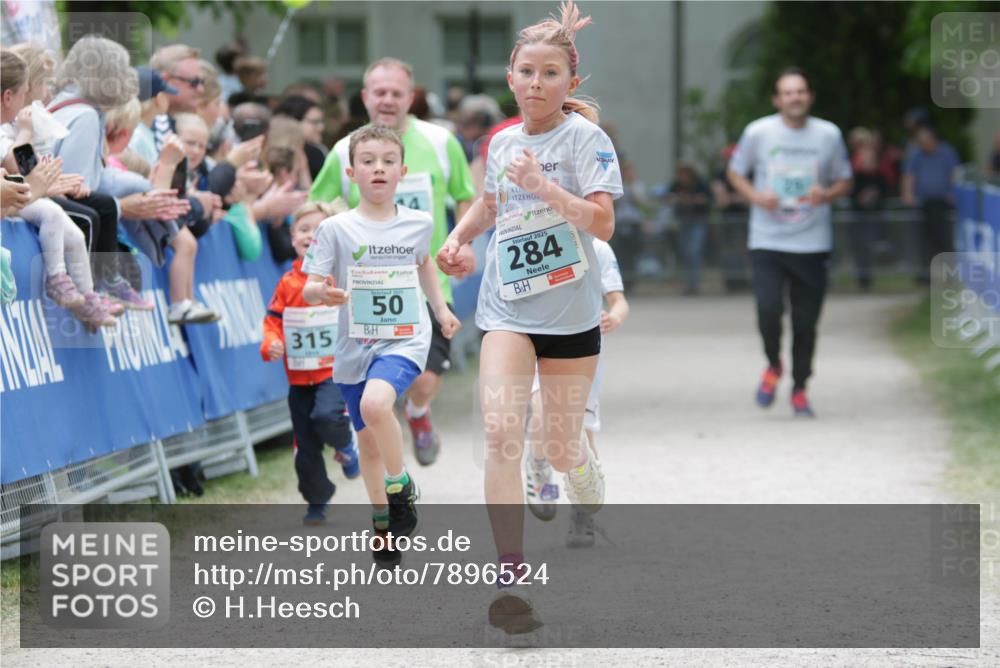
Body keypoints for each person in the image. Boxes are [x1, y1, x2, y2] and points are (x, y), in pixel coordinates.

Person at [437, 0, 622, 634]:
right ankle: (511, 576)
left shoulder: (586, 139)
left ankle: (578, 464)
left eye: (550, 73)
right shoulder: (501, 139)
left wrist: (546, 187)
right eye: (526, 72)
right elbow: (490, 205)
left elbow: (603, 223)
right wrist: (458, 239)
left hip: (571, 312)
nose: (536, 84)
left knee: (560, 444)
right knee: (500, 434)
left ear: (570, 81)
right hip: (507, 308)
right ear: (510, 78)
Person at [302, 126, 460, 567]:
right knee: (368, 441)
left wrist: (440, 310)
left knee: (376, 406)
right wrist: (323, 293)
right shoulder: (334, 229)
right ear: (351, 173)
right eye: (368, 161)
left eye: (388, 161)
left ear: (402, 172)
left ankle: (400, 486)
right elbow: (310, 285)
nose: (378, 168)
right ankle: (383, 524)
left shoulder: (418, 223)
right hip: (355, 346)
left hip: (405, 337)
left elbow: (425, 264)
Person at [310, 56, 476, 466]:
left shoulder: (441, 142)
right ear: (365, 97)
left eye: (396, 93)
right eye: (379, 92)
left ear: (410, 97)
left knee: (426, 379)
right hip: (363, 292)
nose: (387, 100)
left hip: (426, 279)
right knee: (372, 392)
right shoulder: (341, 151)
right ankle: (384, 458)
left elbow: (465, 196)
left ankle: (418, 412)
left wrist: (464, 242)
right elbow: (319, 203)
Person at [727, 67, 853, 418]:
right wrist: (756, 196)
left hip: (812, 242)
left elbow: (845, 180)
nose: (794, 98)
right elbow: (735, 172)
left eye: (800, 91)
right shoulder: (759, 132)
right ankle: (773, 365)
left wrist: (825, 194)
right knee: (768, 309)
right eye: (787, 92)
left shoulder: (828, 134)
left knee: (805, 322)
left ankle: (800, 387)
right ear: (777, 99)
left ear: (809, 96)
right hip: (768, 238)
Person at [1, 48, 119, 328]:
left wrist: (45, 183)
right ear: (9, 96)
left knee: (77, 233)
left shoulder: (28, 117)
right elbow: (22, 169)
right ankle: (58, 278)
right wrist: (36, 185)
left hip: (24, 197)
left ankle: (88, 293)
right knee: (60, 215)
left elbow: (27, 172)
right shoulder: (16, 125)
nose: (44, 92)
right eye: (35, 86)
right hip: (25, 201)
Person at [523, 237, 628, 547]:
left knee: (580, 430)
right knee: (542, 411)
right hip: (538, 340)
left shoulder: (599, 248)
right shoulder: (532, 235)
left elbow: (619, 301)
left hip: (582, 351)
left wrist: (615, 317)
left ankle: (583, 511)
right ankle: (541, 471)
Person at [261, 200, 361, 526]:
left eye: (318, 230)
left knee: (327, 415)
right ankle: (317, 500)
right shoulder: (287, 284)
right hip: (298, 380)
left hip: (334, 372)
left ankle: (346, 444)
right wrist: (271, 343)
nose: (310, 235)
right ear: (292, 238)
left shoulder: (341, 275)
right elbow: (272, 322)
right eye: (303, 229)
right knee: (304, 449)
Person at [901, 125, 960, 283]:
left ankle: (950, 273)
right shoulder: (916, 154)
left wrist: (953, 193)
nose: (922, 144)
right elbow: (909, 175)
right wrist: (907, 194)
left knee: (944, 239)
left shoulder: (946, 152)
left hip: (942, 203)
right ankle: (926, 273)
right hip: (923, 203)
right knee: (924, 240)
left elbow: (954, 173)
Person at [668, 163, 711, 295]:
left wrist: (690, 199)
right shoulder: (676, 184)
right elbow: (668, 197)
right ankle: (688, 282)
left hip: (698, 221)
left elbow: (707, 198)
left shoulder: (700, 184)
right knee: (685, 251)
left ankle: (694, 283)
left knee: (694, 251)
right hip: (683, 222)